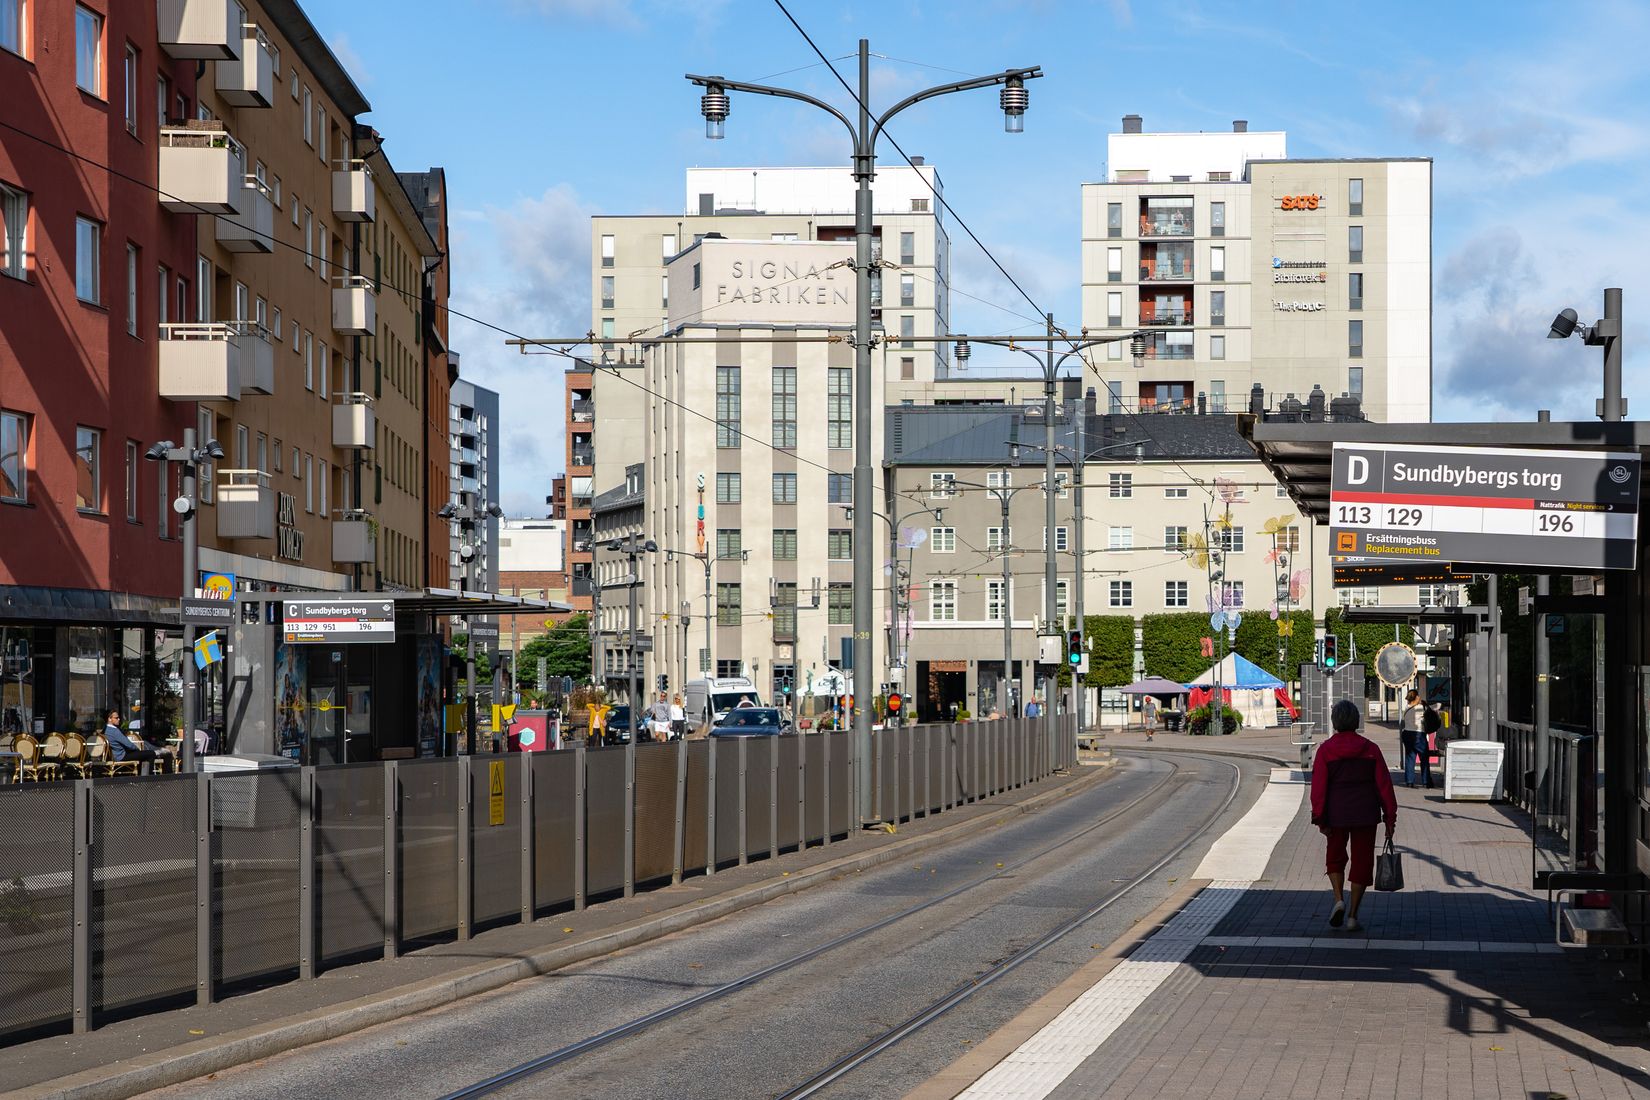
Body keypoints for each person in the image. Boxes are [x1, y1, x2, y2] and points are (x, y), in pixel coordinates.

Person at [1310, 699, 1397, 933]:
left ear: (1334, 722)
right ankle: (1352, 916)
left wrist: (1319, 817)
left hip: (1335, 815)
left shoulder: (1326, 750)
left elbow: (1318, 788)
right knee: (1362, 862)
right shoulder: (1371, 749)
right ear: (1356, 721)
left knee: (1335, 858)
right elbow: (1384, 786)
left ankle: (1339, 899)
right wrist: (1390, 817)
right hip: (1366, 815)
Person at [103, 709, 174, 773]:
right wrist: (137, 749)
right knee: (151, 753)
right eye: (116, 718)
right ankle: (148, 777)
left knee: (144, 753)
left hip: (116, 755)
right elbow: (129, 745)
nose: (119, 719)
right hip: (122, 756)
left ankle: (143, 774)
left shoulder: (106, 730)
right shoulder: (114, 731)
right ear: (109, 719)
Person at [1399, 689, 1433, 789]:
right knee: (1424, 758)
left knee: (1410, 757)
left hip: (1406, 734)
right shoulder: (1421, 707)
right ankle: (1426, 781)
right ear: (1416, 697)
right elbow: (1435, 708)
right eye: (1418, 696)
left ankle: (1409, 781)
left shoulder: (1406, 707)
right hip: (1418, 735)